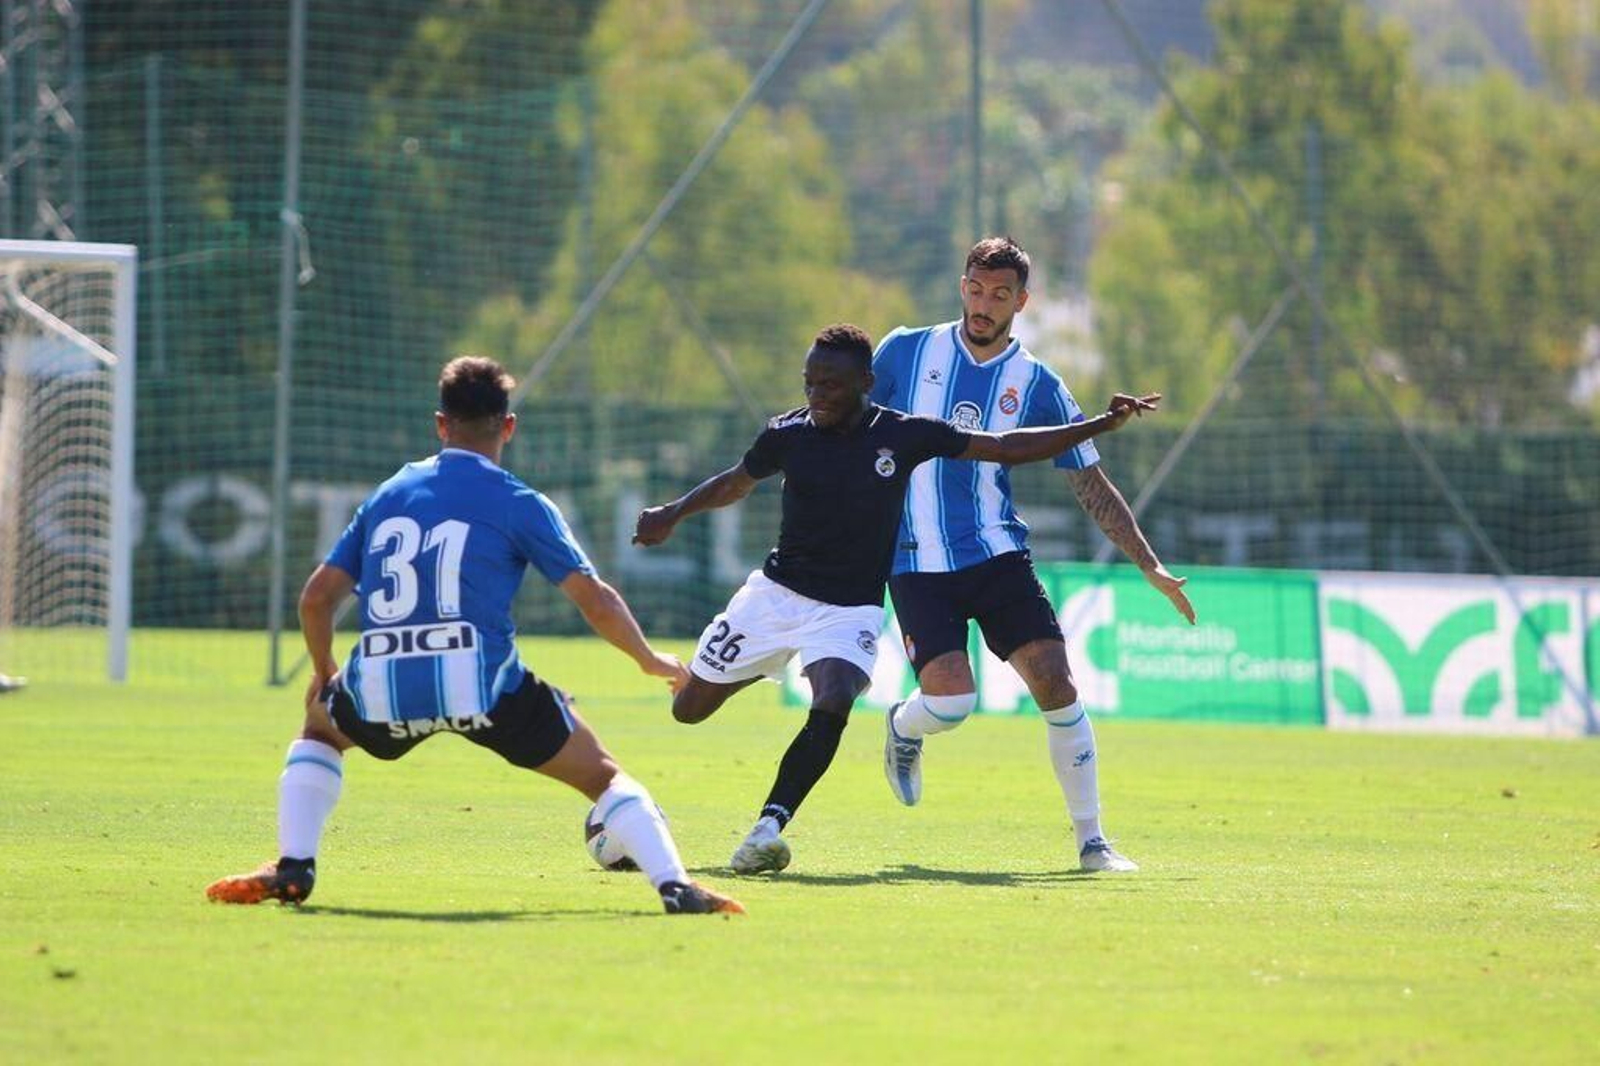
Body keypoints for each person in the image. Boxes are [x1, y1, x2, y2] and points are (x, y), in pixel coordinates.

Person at [206, 356, 743, 916]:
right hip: (482, 686)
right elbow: (595, 599)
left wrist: (325, 673)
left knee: (319, 730)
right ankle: (675, 886)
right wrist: (648, 659)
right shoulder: (519, 502)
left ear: (441, 424)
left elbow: (317, 598)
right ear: (507, 426)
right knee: (602, 776)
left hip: (385, 681)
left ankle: (295, 865)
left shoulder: (390, 493)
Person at [633, 323, 1158, 874]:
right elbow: (735, 482)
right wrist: (672, 512)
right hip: (775, 596)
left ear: (866, 382)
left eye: (830, 385)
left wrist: (1099, 423)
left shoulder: (904, 435)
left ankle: (768, 826)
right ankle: (723, 672)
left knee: (834, 697)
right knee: (688, 709)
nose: (816, 396)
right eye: (809, 383)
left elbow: (1005, 447)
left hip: (847, 610)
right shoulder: (787, 435)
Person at [871, 236, 1196, 874]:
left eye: (998, 295)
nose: (982, 304)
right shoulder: (905, 351)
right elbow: (846, 427)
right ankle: (907, 728)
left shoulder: (1038, 382)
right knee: (950, 705)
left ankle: (1093, 841)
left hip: (997, 554)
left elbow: (1090, 483)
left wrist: (1147, 563)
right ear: (962, 284)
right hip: (916, 558)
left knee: (1056, 682)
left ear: (1022, 301)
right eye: (974, 288)